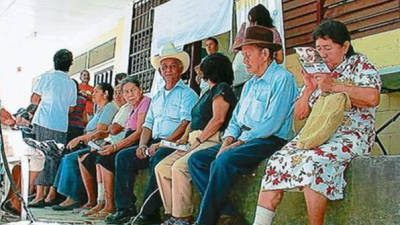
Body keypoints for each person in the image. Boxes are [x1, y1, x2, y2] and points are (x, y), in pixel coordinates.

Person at [252, 20, 381, 225]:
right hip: (317, 134)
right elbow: (299, 115)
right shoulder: (318, 71)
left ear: (345, 46)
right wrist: (310, 88)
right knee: (276, 161)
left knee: (314, 162)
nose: (323, 53)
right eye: (319, 48)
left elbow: (372, 97)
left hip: (351, 134)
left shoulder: (360, 65)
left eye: (328, 48)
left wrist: (335, 86)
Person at [187, 25, 298, 225]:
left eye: (248, 54)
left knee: (223, 160)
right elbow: (236, 120)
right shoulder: (249, 84)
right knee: (196, 161)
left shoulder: (283, 79)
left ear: (265, 54)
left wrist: (238, 142)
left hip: (270, 139)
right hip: (242, 139)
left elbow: (271, 124)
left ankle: (205, 221)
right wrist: (226, 141)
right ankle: (229, 213)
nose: (244, 60)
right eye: (243, 55)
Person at [105, 42, 198, 225]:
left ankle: (148, 212)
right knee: (123, 157)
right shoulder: (157, 97)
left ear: (180, 69)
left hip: (174, 144)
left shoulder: (187, 94)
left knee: (158, 159)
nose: (168, 70)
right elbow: (147, 125)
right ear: (161, 72)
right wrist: (142, 145)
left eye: (172, 66)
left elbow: (185, 123)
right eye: (164, 67)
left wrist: (163, 143)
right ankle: (125, 208)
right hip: (154, 141)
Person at [155, 53, 237, 225]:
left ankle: (183, 217)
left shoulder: (222, 88)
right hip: (195, 139)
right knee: (162, 167)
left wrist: (199, 140)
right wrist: (184, 139)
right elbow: (193, 120)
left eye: (203, 65)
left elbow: (218, 119)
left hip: (211, 138)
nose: (198, 69)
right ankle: (172, 214)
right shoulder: (206, 92)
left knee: (180, 167)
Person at [83, 77, 151, 219]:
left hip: (139, 140)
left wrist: (115, 147)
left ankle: (118, 207)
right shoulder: (130, 107)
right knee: (102, 157)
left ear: (140, 89)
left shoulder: (145, 102)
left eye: (133, 90)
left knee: (116, 157)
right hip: (129, 138)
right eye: (126, 92)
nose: (130, 94)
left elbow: (138, 132)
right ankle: (104, 203)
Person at [43, 83, 118, 210]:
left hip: (97, 146)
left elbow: (101, 131)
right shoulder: (98, 110)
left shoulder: (109, 107)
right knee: (64, 157)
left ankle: (73, 197)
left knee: (70, 159)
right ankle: (53, 193)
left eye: (96, 92)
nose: (92, 94)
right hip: (89, 144)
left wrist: (80, 138)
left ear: (105, 94)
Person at [28, 49, 77, 207]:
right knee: (54, 158)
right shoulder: (71, 83)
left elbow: (34, 99)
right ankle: (50, 195)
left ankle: (39, 195)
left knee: (40, 156)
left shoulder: (46, 77)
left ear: (54, 61)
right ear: (70, 64)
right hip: (61, 125)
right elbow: (71, 109)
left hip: (44, 121)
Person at [76, 84, 127, 216]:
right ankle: (99, 202)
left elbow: (110, 129)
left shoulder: (122, 108)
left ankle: (108, 205)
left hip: (117, 145)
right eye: (116, 93)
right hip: (105, 144)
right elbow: (108, 129)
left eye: (122, 93)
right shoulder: (119, 109)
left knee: (101, 159)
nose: (117, 96)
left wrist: (110, 129)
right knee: (89, 158)